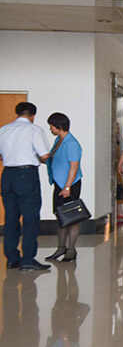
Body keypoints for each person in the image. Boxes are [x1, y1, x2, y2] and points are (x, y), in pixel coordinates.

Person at [0, 102, 51, 271]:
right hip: (27, 175)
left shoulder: (4, 130)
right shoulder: (34, 130)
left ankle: (12, 259)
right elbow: (44, 155)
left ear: (17, 113)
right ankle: (28, 259)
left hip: (8, 175)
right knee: (30, 218)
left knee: (11, 218)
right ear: (33, 115)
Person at [44, 113, 83, 263]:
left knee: (72, 218)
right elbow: (54, 159)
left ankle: (71, 250)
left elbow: (74, 167)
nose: (50, 129)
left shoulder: (71, 143)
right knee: (60, 216)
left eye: (51, 126)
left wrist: (67, 187)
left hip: (70, 185)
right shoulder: (58, 140)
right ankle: (61, 248)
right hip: (59, 184)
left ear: (59, 126)